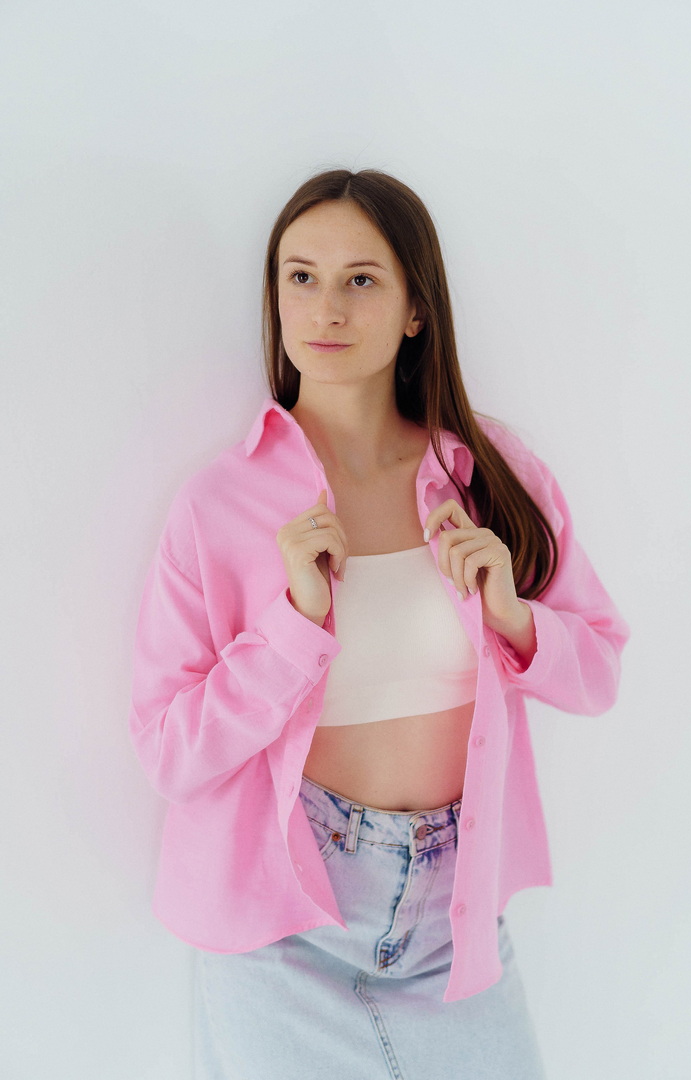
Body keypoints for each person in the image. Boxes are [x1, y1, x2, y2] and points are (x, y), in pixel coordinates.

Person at [127, 168, 631, 1079]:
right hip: (281, 928)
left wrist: (514, 618)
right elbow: (169, 750)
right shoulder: (220, 505)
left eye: (361, 279)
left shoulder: (492, 474)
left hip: (454, 918)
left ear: (414, 309)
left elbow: (599, 668)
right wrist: (293, 626)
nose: (326, 307)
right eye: (301, 277)